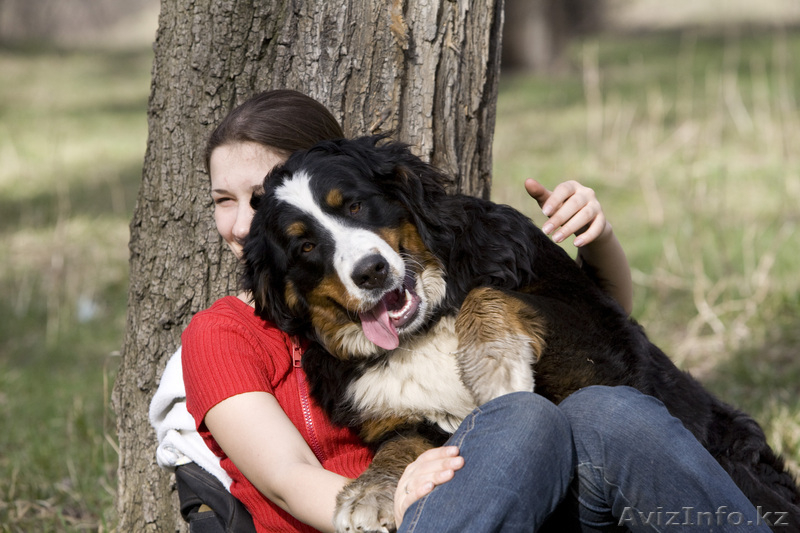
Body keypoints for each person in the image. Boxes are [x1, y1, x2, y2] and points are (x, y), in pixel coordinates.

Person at [160, 89, 767, 533]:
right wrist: (392, 490)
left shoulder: (455, 252)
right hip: (399, 512)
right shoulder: (227, 334)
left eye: (264, 192)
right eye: (225, 200)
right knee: (524, 421)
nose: (244, 222)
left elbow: (609, 340)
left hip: (530, 498)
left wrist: (598, 240)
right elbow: (288, 480)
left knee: (609, 410)